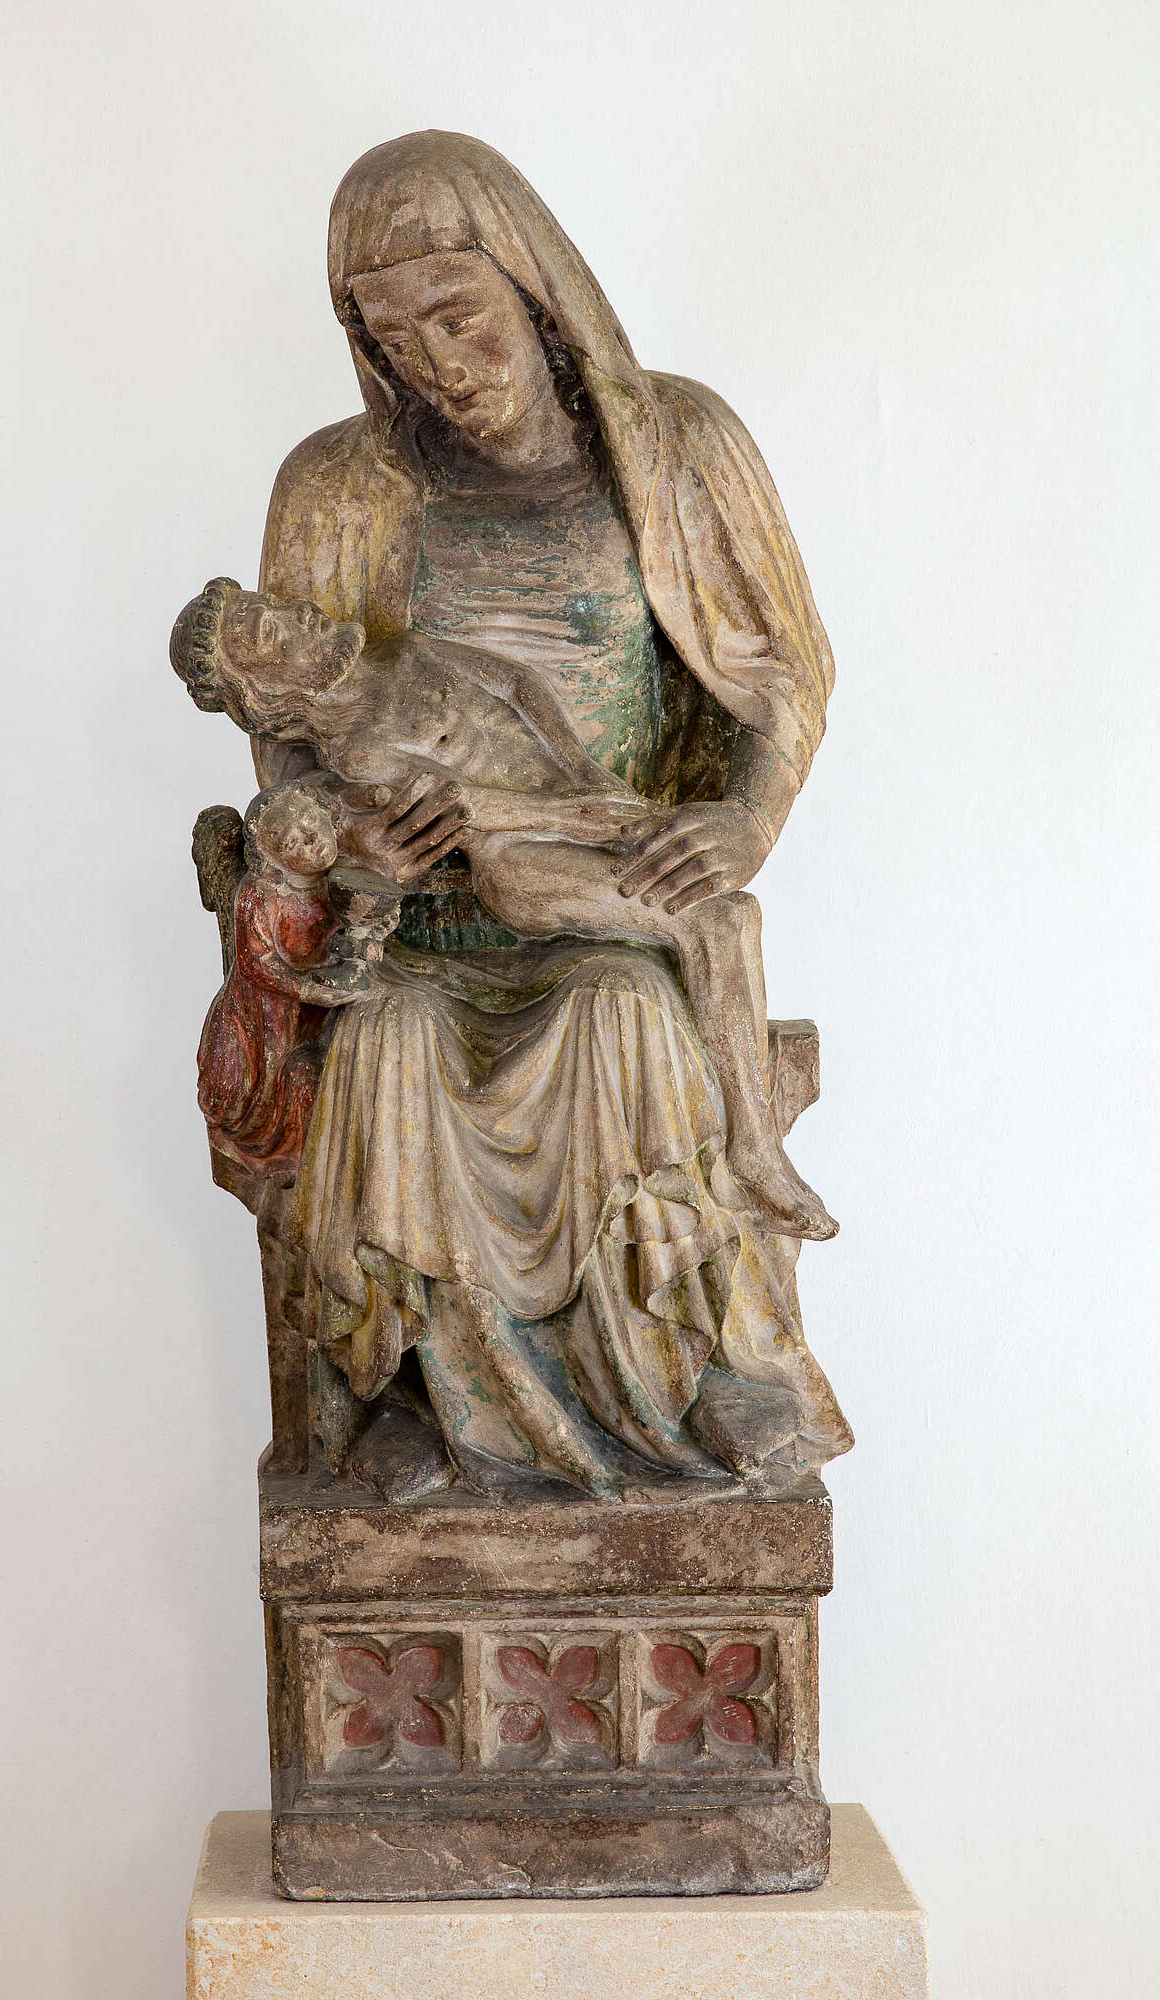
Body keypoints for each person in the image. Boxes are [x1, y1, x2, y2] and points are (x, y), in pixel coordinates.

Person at [242, 129, 852, 1493]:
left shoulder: (677, 446)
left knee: (620, 1015)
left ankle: (703, 1373)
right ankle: (420, 1395)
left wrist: (743, 821)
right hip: (424, 919)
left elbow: (783, 678)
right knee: (392, 1043)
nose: (440, 361)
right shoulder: (338, 486)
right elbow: (285, 739)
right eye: (394, 337)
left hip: (611, 896)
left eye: (460, 314)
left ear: (533, 285)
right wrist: (352, 844)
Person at [172, 577, 837, 1239]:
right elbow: (465, 812)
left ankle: (751, 1144)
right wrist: (589, 818)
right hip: (523, 861)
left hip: (575, 801)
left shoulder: (402, 651)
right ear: (265, 693)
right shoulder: (357, 754)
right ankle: (753, 1152)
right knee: (722, 919)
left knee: (730, 916)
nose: (296, 613)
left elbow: (515, 685)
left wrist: (583, 774)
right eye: (270, 633)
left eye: (274, 607)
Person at [196, 783, 370, 1185]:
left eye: (311, 823)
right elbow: (256, 965)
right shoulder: (259, 896)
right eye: (293, 842)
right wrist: (311, 990)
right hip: (260, 1014)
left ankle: (302, 1152)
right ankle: (276, 1154)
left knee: (307, 1077)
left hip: (312, 1010)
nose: (311, 841)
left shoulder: (345, 882)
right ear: (273, 859)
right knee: (248, 1089)